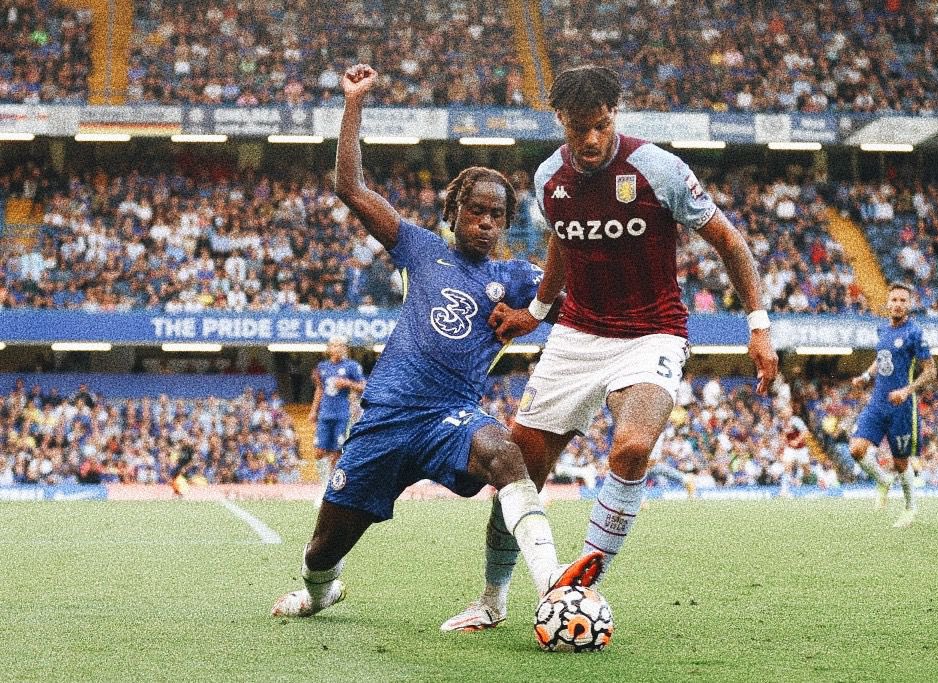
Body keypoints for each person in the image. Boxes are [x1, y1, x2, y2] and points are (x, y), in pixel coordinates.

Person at [442, 65, 778, 631]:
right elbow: (562, 246)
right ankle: (492, 601)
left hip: (652, 335)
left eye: (601, 126)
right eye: (580, 130)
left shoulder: (658, 169)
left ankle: (578, 586)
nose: (592, 140)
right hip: (577, 335)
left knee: (630, 450)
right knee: (518, 467)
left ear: (614, 116)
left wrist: (759, 324)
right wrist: (537, 314)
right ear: (560, 123)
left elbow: (729, 240)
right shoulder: (550, 177)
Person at [271, 64, 602, 621]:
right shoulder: (420, 249)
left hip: (450, 416)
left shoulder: (519, 278)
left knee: (504, 452)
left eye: (497, 215)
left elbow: (577, 299)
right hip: (385, 419)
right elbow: (350, 187)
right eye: (475, 211)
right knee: (323, 548)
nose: (486, 222)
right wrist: (354, 104)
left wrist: (538, 310)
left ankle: (554, 588)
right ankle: (320, 590)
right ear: (452, 212)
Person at [850, 282, 936, 528]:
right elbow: (881, 359)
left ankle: (910, 508)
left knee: (901, 463)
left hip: (902, 408)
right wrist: (866, 376)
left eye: (903, 300)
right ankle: (883, 481)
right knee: (856, 449)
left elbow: (931, 371)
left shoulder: (914, 333)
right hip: (877, 402)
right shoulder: (883, 330)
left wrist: (906, 390)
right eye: (894, 300)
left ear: (909, 305)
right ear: (887, 303)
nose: (898, 304)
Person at [309, 336, 365, 487]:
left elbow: (364, 386)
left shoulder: (351, 366)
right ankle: (326, 480)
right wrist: (314, 410)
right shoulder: (322, 367)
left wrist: (347, 383)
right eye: (334, 345)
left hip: (342, 415)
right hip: (325, 414)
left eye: (340, 345)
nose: (337, 348)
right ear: (329, 348)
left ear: (345, 348)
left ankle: (329, 487)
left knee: (336, 453)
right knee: (319, 452)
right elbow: (319, 389)